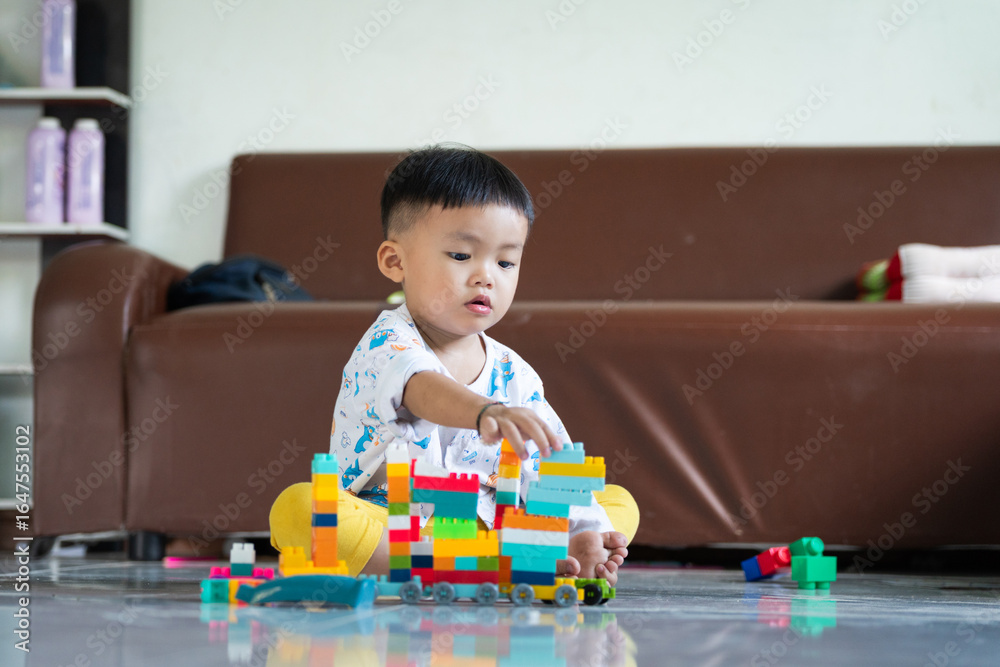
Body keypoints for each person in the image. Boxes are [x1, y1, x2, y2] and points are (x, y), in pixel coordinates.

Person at [269, 145, 639, 584]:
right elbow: (421, 387)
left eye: (505, 261)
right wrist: (486, 411)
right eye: (462, 256)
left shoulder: (515, 372)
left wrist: (587, 530)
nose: (487, 276)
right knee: (302, 507)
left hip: (497, 524)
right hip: (404, 525)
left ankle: (541, 557)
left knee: (616, 503)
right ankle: (502, 567)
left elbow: (550, 459)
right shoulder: (387, 342)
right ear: (395, 262)